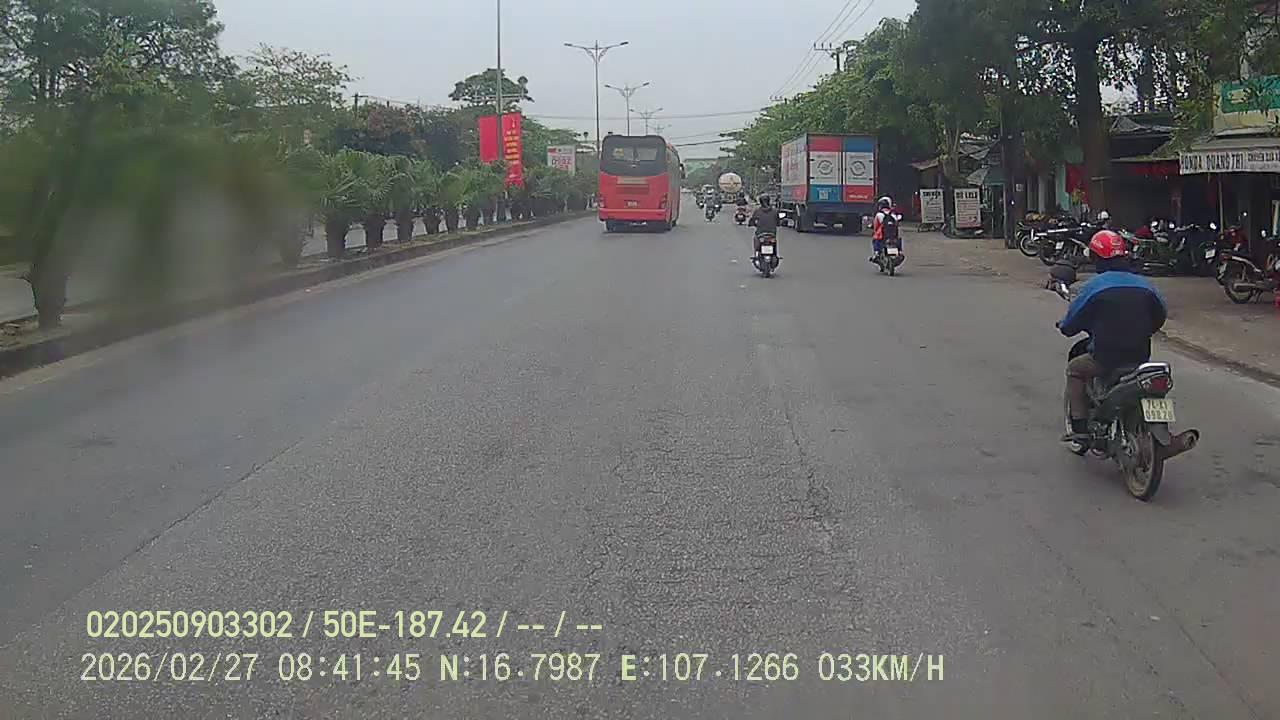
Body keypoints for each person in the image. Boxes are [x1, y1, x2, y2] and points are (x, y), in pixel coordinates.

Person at [1058, 229, 1167, 443]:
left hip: (1105, 357)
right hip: (1140, 358)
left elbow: (1070, 324)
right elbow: (1160, 315)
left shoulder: (1094, 286)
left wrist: (1065, 326)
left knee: (1075, 370)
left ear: (1095, 258)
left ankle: (1080, 428)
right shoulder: (1144, 284)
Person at [870, 196, 900, 262]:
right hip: (893, 234)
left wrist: (874, 231)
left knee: (875, 240)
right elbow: (897, 223)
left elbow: (876, 225)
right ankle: (899, 252)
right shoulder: (893, 214)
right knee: (898, 241)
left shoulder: (879, 214)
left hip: (882, 235)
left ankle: (877, 253)